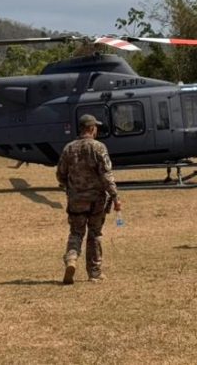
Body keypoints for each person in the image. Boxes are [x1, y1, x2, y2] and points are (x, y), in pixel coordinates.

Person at [56, 114, 121, 284]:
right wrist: (115, 196)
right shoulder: (99, 148)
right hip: (96, 201)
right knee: (95, 234)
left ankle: (71, 259)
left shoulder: (69, 148)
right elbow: (106, 175)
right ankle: (94, 272)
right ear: (91, 129)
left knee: (76, 232)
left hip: (76, 200)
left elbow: (60, 174)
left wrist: (70, 187)